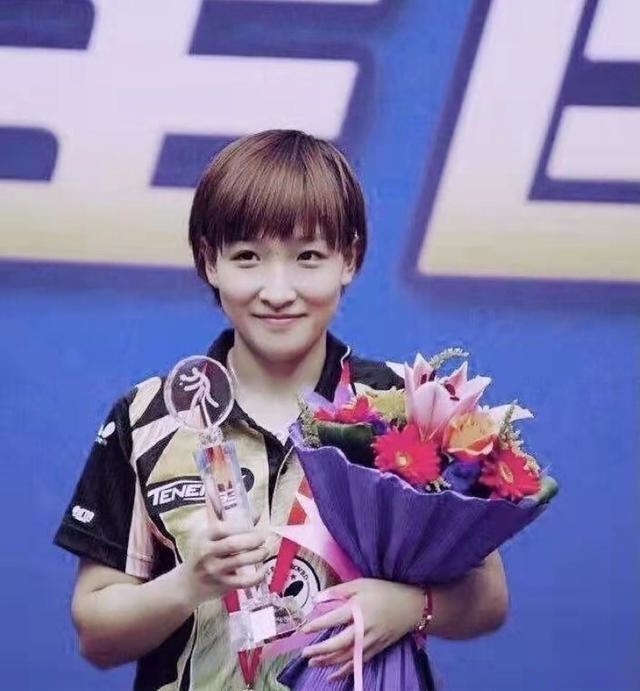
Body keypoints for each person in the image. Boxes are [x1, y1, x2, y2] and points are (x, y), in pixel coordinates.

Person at [54, 130, 508, 690]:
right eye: (247, 257)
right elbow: (95, 636)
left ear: (349, 259)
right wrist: (190, 582)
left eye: (307, 257)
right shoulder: (149, 416)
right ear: (209, 261)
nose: (277, 290)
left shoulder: (409, 406)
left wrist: (412, 607)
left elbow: (489, 599)